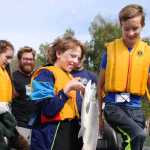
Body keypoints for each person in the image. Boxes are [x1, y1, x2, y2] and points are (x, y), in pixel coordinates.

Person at [98, 4, 150, 150]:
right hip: (113, 107)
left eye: (135, 28)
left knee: (133, 144)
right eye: (126, 29)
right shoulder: (110, 51)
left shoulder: (147, 53)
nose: (131, 33)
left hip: (136, 109)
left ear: (142, 26)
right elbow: (100, 85)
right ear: (121, 26)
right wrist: (99, 117)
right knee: (138, 135)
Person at [30, 36, 85, 150]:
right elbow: (48, 110)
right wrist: (67, 89)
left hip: (71, 131)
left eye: (78, 58)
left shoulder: (70, 77)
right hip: (50, 135)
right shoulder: (44, 74)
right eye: (73, 56)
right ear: (59, 53)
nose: (76, 61)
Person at [0, 40, 29, 150]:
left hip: (7, 116)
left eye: (11, 58)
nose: (9, 61)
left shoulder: (5, 72)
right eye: (7, 57)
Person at [12, 46, 36, 143]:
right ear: (19, 60)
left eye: (30, 59)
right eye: (25, 59)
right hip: (20, 127)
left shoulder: (37, 77)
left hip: (37, 127)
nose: (28, 61)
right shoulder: (13, 78)